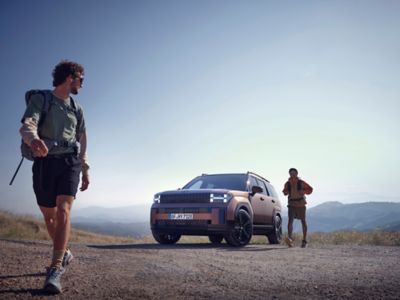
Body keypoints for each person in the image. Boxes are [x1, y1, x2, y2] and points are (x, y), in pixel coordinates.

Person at [19, 60, 90, 294]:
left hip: (70, 162)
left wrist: (85, 167)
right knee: (49, 217)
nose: (83, 83)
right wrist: (33, 139)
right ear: (71, 77)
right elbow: (28, 124)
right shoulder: (42, 99)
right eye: (81, 78)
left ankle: (55, 267)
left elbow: (82, 138)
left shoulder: (77, 109)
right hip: (45, 163)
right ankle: (65, 251)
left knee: (63, 210)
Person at [282, 168, 313, 248]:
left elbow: (310, 189)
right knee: (290, 221)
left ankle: (304, 240)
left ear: (297, 173)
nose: (292, 174)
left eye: (293, 173)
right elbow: (285, 192)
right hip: (291, 204)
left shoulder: (301, 182)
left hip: (301, 204)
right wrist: (285, 192)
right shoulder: (287, 183)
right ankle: (290, 239)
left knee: (303, 221)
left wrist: (304, 191)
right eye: (290, 173)